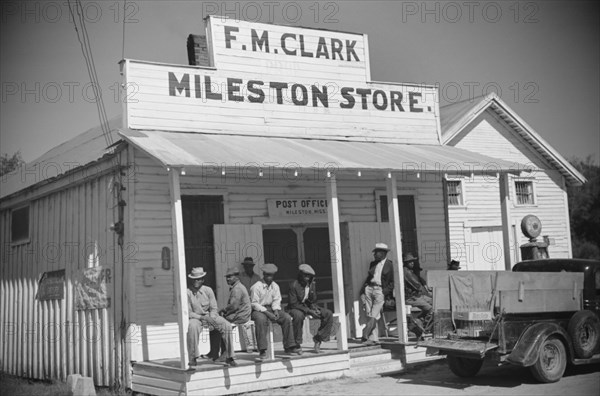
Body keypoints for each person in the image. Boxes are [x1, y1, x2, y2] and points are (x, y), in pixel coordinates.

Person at [186, 267, 238, 367]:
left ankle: (230, 356)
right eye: (194, 279)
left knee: (226, 325)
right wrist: (203, 318)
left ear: (202, 280)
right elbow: (188, 312)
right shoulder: (187, 292)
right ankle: (193, 357)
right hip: (196, 318)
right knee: (192, 327)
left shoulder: (208, 290)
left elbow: (214, 308)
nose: (196, 281)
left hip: (210, 316)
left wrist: (211, 318)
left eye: (198, 279)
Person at [250, 263, 300, 360]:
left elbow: (277, 300)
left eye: (271, 275)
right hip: (258, 310)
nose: (269, 277)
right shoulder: (256, 286)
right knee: (260, 320)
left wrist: (276, 310)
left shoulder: (275, 286)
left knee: (286, 317)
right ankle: (262, 350)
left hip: (271, 308)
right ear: (263, 274)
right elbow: (254, 304)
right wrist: (267, 313)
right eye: (267, 275)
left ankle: (289, 346)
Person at [287, 264, 334, 353]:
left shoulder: (311, 285)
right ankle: (296, 344)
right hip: (294, 307)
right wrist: (309, 311)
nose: (307, 278)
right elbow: (293, 303)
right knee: (298, 316)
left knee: (328, 314)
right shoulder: (293, 285)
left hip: (307, 307)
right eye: (305, 275)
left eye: (309, 276)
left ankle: (318, 339)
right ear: (300, 275)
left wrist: (314, 308)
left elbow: (312, 301)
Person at [359, 243, 394, 345]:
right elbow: (369, 277)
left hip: (380, 290)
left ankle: (365, 333)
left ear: (383, 253)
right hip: (369, 288)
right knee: (370, 313)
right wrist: (365, 289)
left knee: (374, 314)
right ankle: (373, 339)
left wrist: (384, 291)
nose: (374, 254)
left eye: (376, 252)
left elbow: (392, 282)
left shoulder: (390, 265)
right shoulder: (372, 264)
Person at [403, 253, 433, 337]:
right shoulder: (406, 272)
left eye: (412, 261)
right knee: (430, 309)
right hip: (411, 297)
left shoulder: (410, 271)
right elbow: (417, 285)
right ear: (405, 263)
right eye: (410, 262)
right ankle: (422, 326)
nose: (412, 263)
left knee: (435, 303)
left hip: (417, 296)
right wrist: (427, 292)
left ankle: (417, 320)